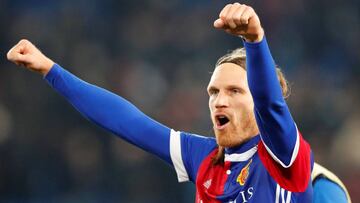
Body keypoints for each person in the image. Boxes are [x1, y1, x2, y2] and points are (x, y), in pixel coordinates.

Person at [7, 3, 314, 202]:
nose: (220, 101)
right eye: (214, 92)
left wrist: (255, 40)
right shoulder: (203, 157)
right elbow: (127, 121)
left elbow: (271, 106)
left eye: (234, 91)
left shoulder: (283, 156)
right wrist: (50, 70)